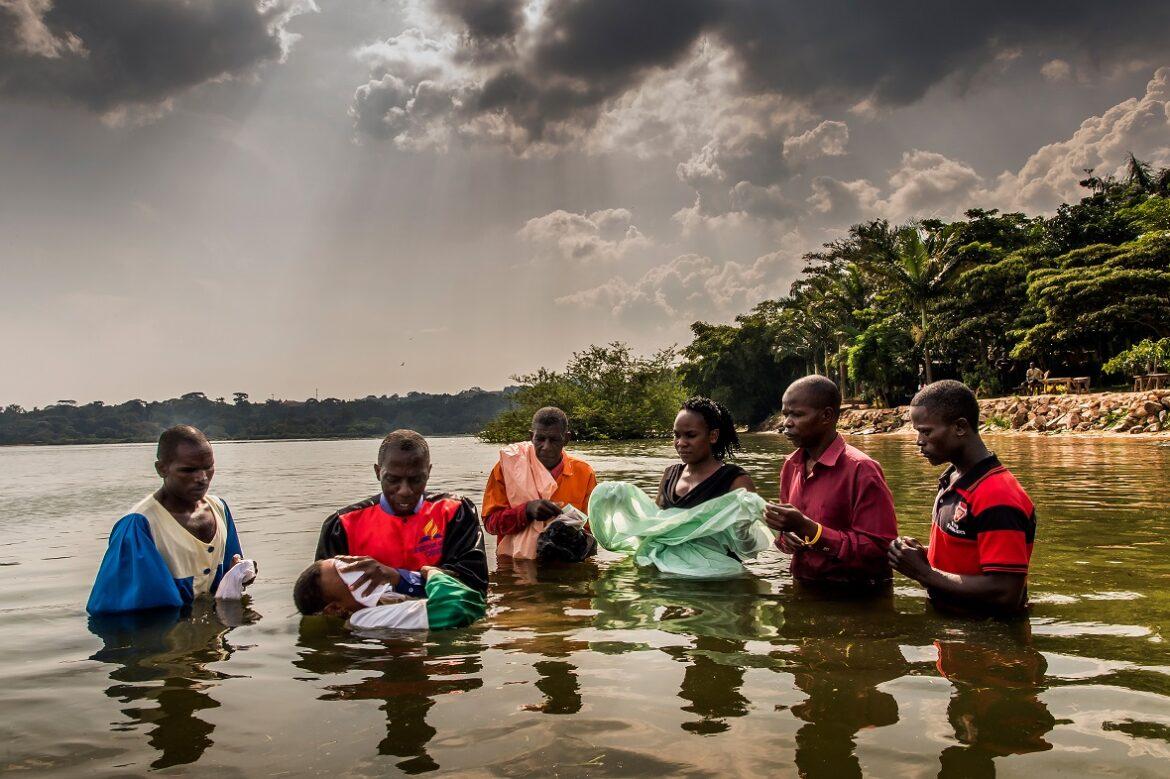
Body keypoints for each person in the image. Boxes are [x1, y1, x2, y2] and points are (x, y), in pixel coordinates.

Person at [888, 380, 1037, 616]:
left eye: (926, 431)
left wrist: (924, 573)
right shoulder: (953, 479)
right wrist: (923, 554)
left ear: (959, 427)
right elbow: (969, 554)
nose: (919, 441)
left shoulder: (997, 496)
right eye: (917, 431)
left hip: (987, 635)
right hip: (952, 626)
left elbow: (1006, 593)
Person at [87, 425, 255, 615]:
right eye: (189, 470)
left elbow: (227, 576)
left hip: (213, 631)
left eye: (208, 467)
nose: (202, 478)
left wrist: (240, 575)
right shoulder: (139, 525)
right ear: (162, 469)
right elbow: (128, 607)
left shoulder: (220, 509)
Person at [315, 429, 488, 596]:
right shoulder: (343, 525)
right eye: (393, 479)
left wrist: (398, 579)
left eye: (416, 480)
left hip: (439, 613)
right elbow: (323, 594)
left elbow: (474, 584)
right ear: (378, 472)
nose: (405, 491)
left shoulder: (455, 512)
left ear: (428, 472)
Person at [763, 376, 899, 588]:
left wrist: (811, 530)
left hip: (855, 596)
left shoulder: (862, 469)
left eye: (797, 415)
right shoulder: (791, 466)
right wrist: (784, 536)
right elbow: (786, 532)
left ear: (826, 416)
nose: (786, 423)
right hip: (803, 588)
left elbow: (880, 550)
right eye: (785, 414)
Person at [481, 406, 598, 560]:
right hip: (516, 562)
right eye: (540, 439)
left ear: (566, 438)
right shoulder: (507, 468)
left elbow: (592, 533)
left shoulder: (584, 473)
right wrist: (526, 511)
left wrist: (568, 536)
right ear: (532, 436)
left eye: (554, 440)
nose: (546, 447)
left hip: (563, 564)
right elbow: (490, 524)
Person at [293, 557, 486, 631]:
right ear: (335, 608)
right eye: (344, 573)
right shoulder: (363, 620)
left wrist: (396, 576)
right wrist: (432, 573)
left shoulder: (377, 599)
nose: (355, 568)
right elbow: (458, 606)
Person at [657, 396, 755, 509]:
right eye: (677, 435)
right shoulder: (669, 477)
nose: (681, 443)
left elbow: (752, 518)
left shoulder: (735, 481)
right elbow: (654, 518)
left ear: (713, 436)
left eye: (691, 435)